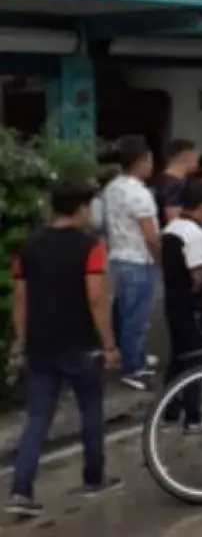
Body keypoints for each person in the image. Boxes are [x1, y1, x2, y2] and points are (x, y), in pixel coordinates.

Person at [8, 181, 122, 517]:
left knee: (38, 418)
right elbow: (96, 298)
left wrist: (20, 341)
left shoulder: (28, 247)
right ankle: (93, 478)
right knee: (90, 410)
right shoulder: (92, 247)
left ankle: (21, 490)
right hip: (81, 343)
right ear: (82, 209)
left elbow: (20, 299)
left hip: (41, 343)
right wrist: (109, 344)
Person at [100, 135, 161, 391]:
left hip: (117, 257)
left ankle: (131, 355)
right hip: (138, 259)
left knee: (122, 313)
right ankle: (133, 368)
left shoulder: (111, 188)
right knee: (136, 316)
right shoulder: (140, 193)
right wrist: (161, 259)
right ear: (142, 159)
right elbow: (150, 235)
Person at [160, 177, 202, 431]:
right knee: (196, 358)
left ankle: (170, 408)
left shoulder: (172, 228)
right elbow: (198, 275)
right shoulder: (196, 235)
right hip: (191, 304)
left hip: (173, 300)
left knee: (179, 356)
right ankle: (193, 416)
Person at [153, 138, 199, 228]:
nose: (197, 161)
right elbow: (174, 220)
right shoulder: (173, 185)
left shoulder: (158, 179)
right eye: (196, 156)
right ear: (187, 156)